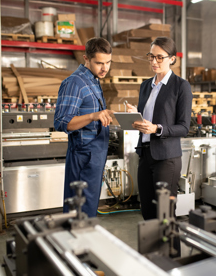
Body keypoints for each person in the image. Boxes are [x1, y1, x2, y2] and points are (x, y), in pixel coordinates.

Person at [126, 37, 193, 220]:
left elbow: (184, 127)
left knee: (164, 214)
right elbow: (147, 118)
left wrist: (156, 128)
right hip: (145, 155)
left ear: (172, 58)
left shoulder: (181, 86)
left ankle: (170, 250)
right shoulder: (145, 85)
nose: (154, 62)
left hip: (166, 159)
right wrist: (135, 115)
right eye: (151, 57)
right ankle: (152, 250)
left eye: (159, 57)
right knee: (147, 212)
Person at [54, 37, 114, 217]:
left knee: (89, 208)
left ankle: (85, 241)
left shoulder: (94, 80)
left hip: (95, 154)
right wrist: (93, 116)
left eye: (108, 62)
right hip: (83, 155)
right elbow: (62, 122)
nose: (105, 68)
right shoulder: (75, 83)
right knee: (78, 210)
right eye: (99, 63)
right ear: (85, 58)